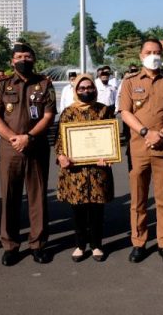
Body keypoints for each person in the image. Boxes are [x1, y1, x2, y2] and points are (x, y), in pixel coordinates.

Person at [119, 38, 163, 265]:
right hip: (138, 149)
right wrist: (145, 132)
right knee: (138, 200)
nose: (153, 55)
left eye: (157, 52)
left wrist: (162, 133)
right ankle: (138, 242)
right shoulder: (130, 82)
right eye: (148, 52)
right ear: (141, 56)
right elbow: (125, 112)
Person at [0, 43, 56, 266]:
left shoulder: (44, 84)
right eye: (18, 56)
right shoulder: (1, 85)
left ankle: (38, 244)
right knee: (10, 197)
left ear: (34, 59)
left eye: (27, 56)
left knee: (37, 197)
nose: (23, 60)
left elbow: (48, 116)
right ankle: (10, 245)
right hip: (10, 149)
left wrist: (29, 137)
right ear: (12, 61)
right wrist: (13, 138)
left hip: (36, 146)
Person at [55, 74, 114, 262]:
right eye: (81, 88)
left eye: (89, 87)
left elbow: (111, 138)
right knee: (78, 210)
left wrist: (110, 155)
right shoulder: (68, 112)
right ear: (76, 90)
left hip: (98, 170)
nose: (86, 91)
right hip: (75, 171)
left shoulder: (104, 110)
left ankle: (96, 245)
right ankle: (80, 245)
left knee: (97, 210)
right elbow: (59, 140)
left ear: (94, 89)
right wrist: (61, 156)